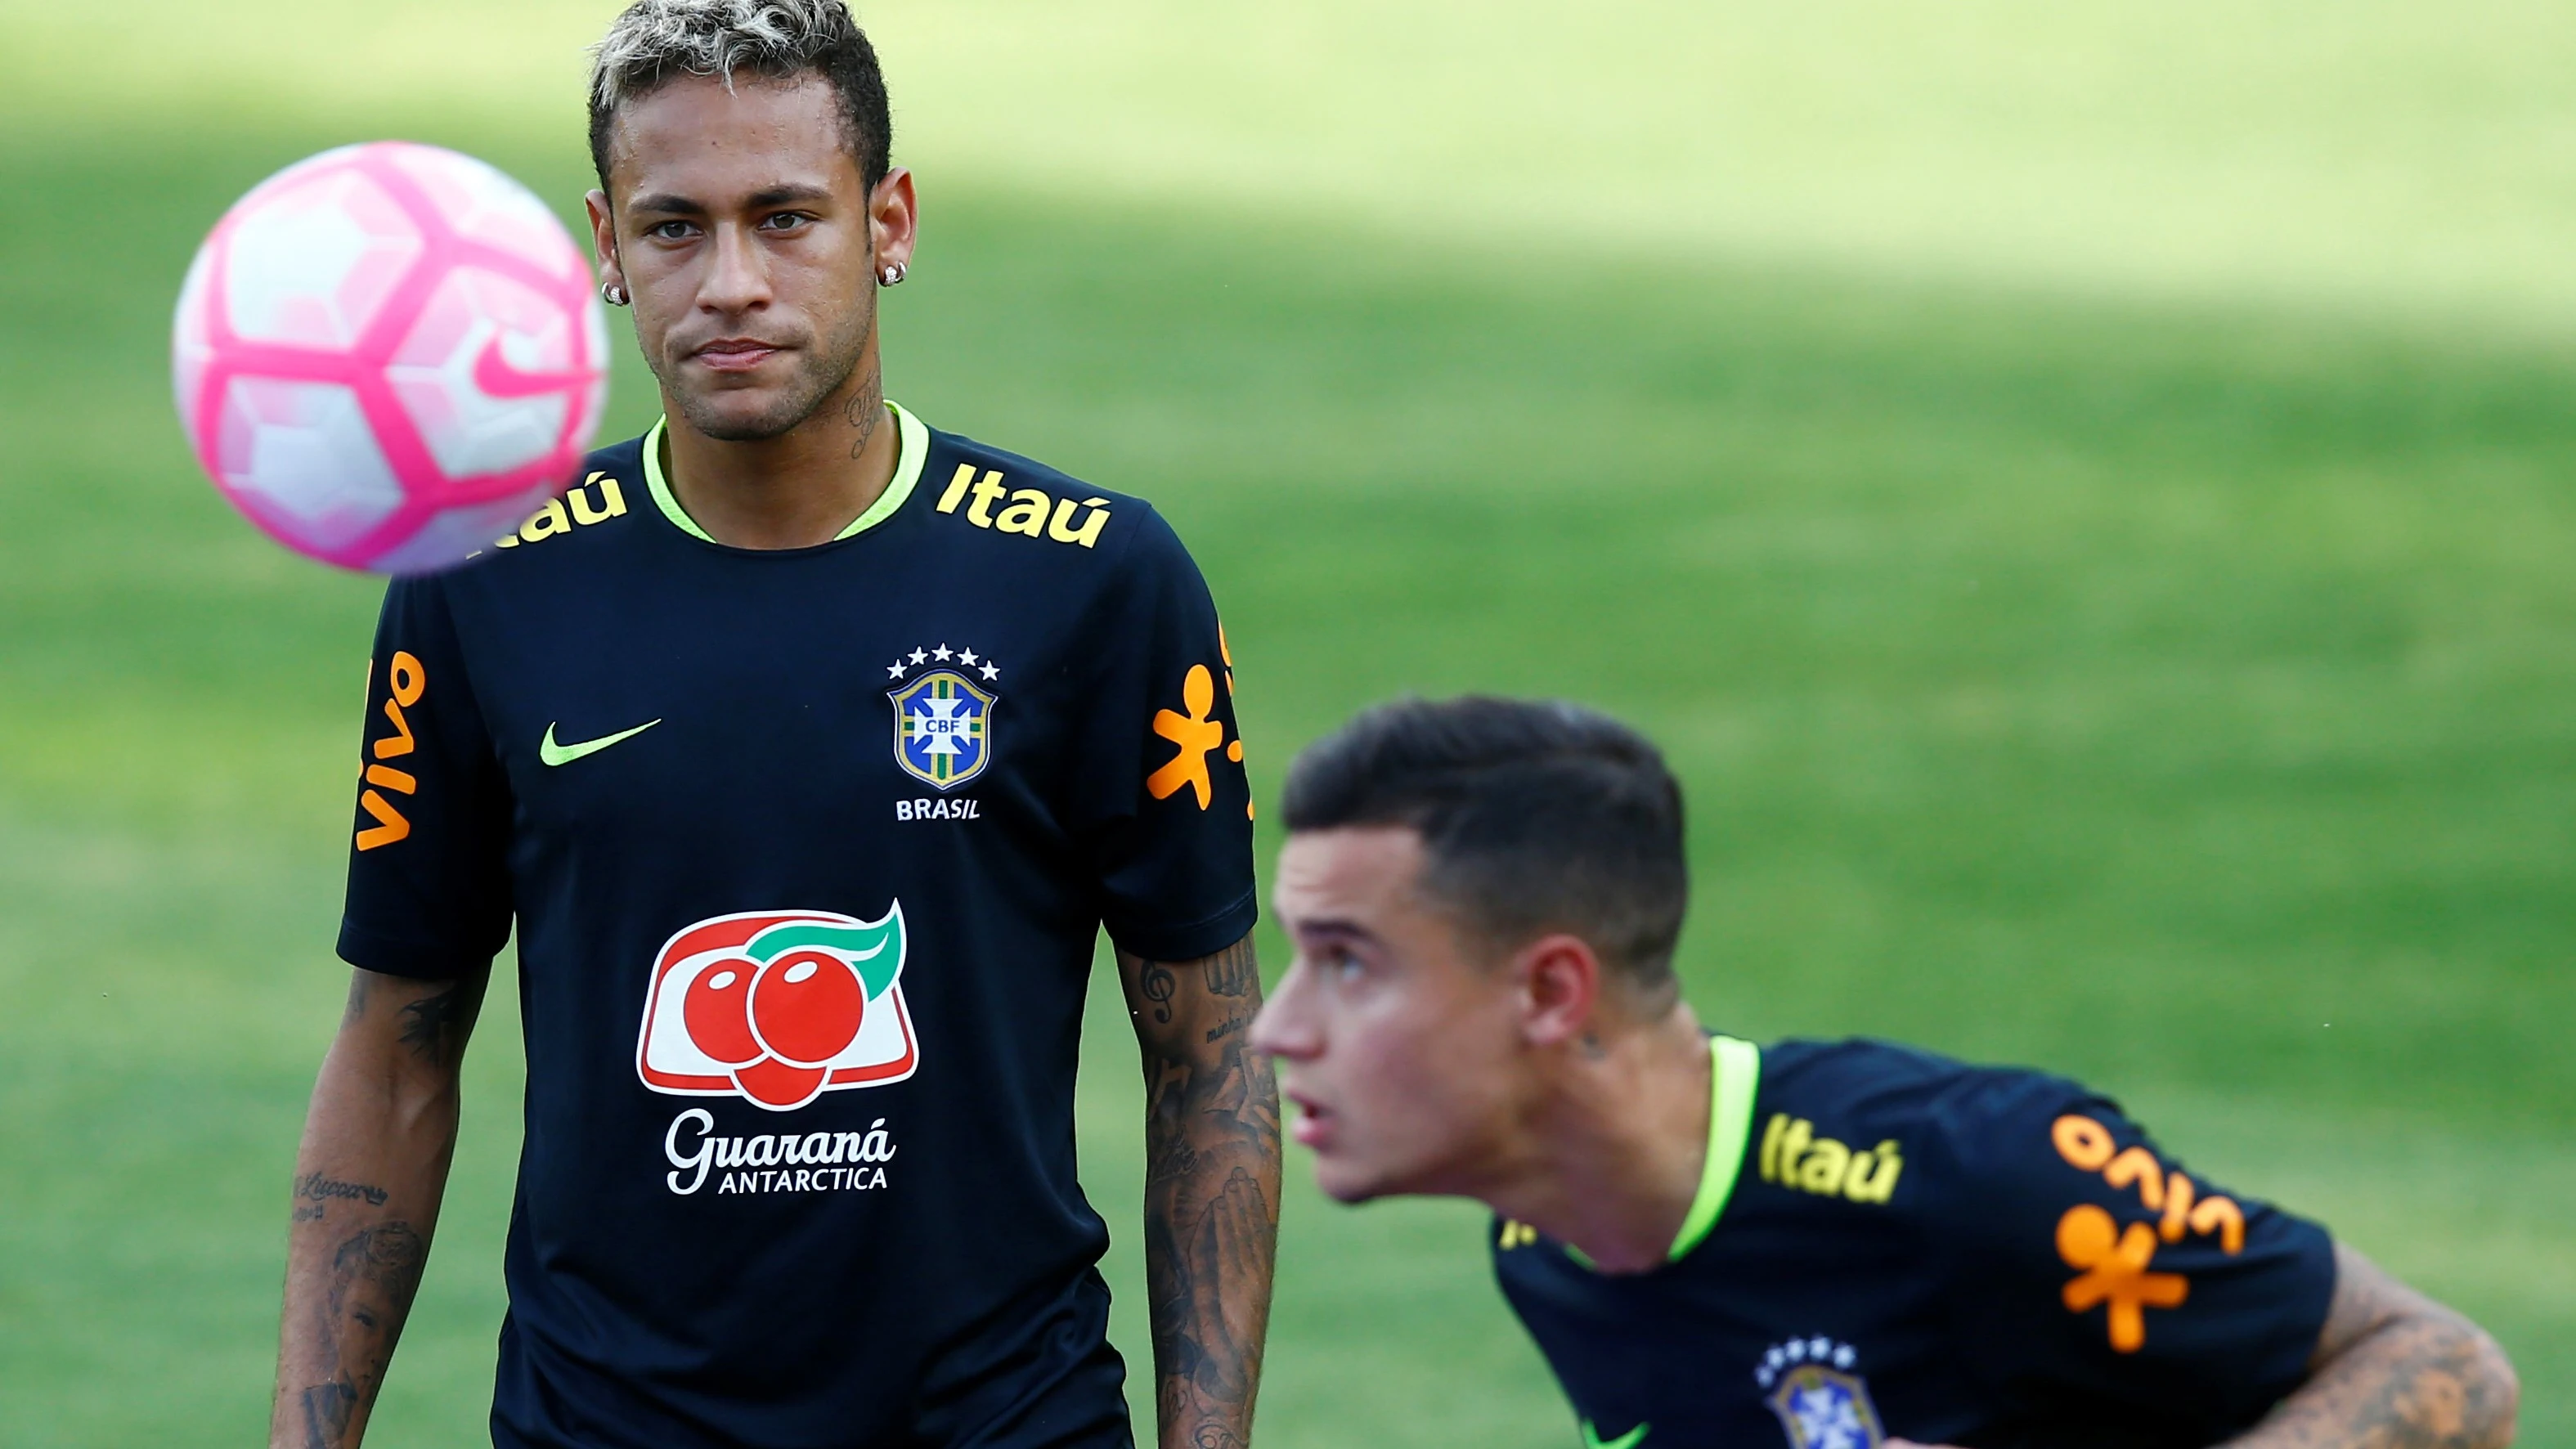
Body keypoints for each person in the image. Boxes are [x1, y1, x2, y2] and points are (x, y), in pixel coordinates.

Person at [270, 3, 1279, 1447]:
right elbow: (395, 1052)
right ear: (608, 249)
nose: (730, 282)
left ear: (890, 221)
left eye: (786, 217)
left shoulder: (1094, 582)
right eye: (674, 228)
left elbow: (1212, 1057)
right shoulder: (486, 582)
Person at [1249, 696, 2518, 1449]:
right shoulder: (1544, 1243)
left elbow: (2446, 1365)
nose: (1275, 1028)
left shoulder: (1981, 1176)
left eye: (1349, 962)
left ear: (1549, 992)